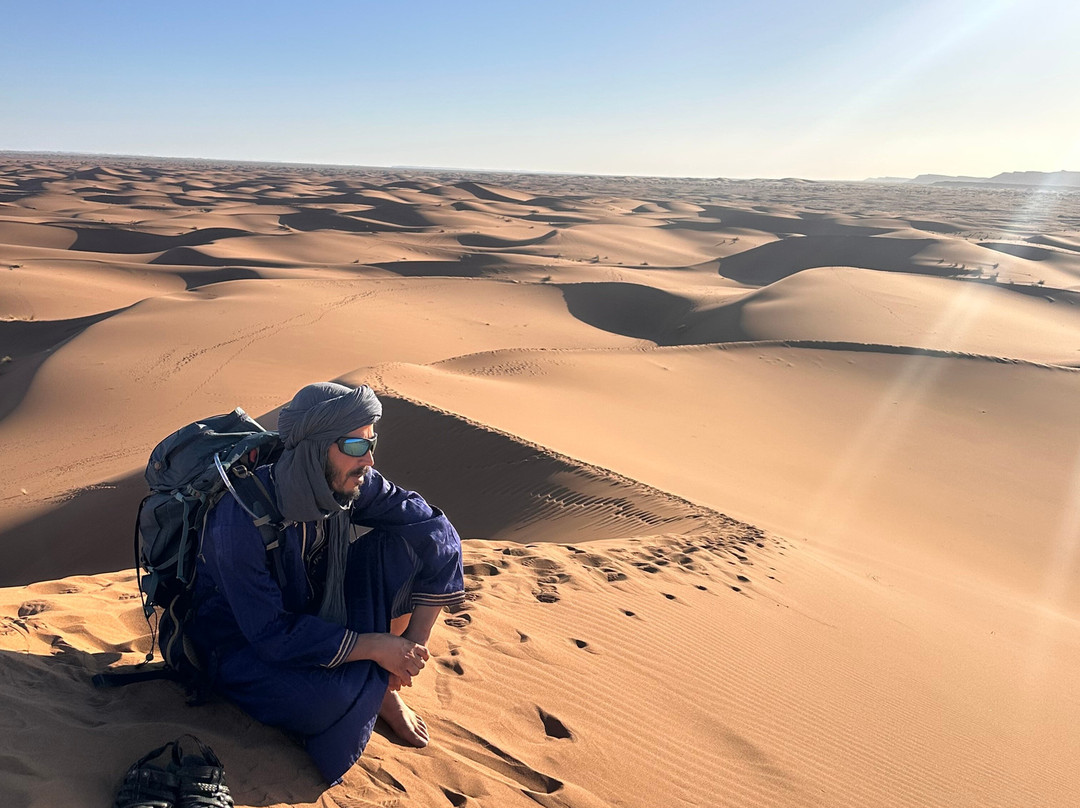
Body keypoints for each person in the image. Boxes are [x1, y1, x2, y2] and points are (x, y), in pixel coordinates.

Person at [187, 382, 465, 784]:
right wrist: (374, 646)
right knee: (324, 702)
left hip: (314, 611)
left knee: (408, 545)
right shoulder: (239, 518)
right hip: (239, 643)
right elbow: (269, 633)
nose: (368, 459)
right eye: (355, 446)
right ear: (316, 449)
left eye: (371, 443)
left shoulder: (350, 483)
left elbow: (436, 530)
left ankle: (379, 686)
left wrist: (410, 648)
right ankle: (371, 686)